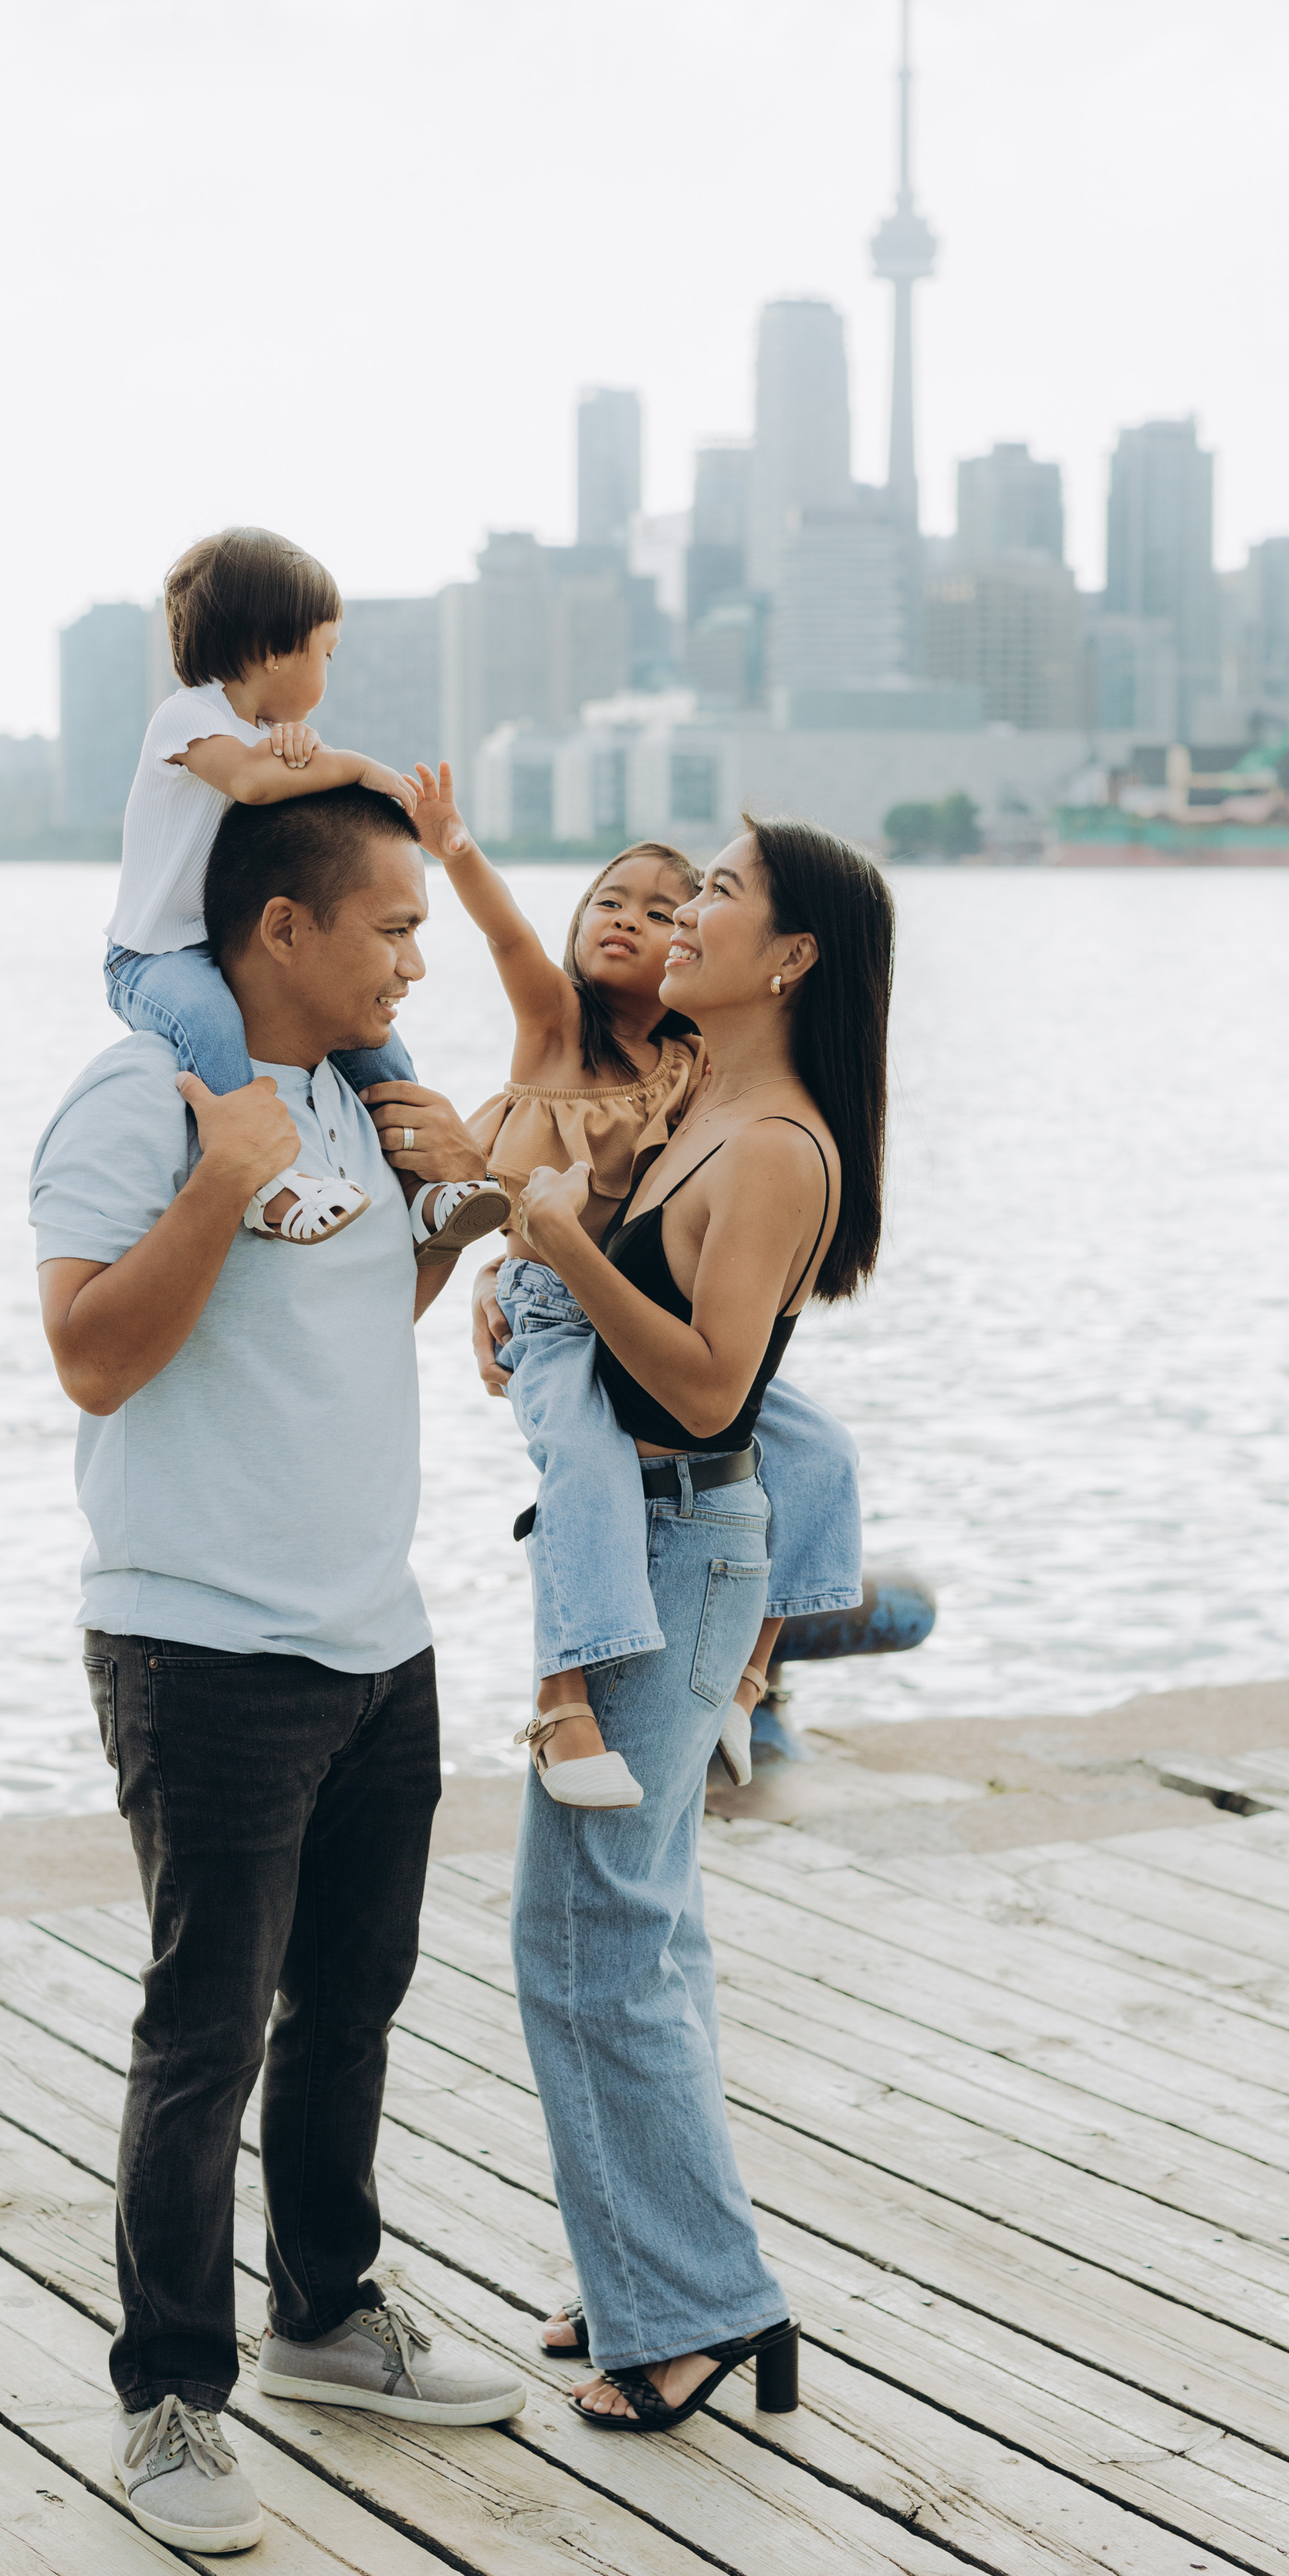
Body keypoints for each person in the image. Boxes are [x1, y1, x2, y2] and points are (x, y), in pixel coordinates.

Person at [32, 782, 526, 2560]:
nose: (414, 953)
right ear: (282, 931)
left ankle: (325, 2312)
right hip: (202, 1645)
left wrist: (451, 1220)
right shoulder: (142, 1101)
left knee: (351, 1997)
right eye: (392, 924)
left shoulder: (343, 1094)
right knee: (205, 2028)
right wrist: (217, 1184)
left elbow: (326, 1311)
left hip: (373, 1633)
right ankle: (168, 2394)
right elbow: (93, 1355)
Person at [484, 813, 895, 2430]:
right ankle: (647, 2275)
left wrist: (570, 1251)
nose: (687, 910)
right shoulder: (700, 1103)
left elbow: (715, 1386)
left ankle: (696, 2303)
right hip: (651, 1546)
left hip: (678, 1552)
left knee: (588, 1938)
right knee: (621, 1930)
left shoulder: (779, 1143)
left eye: (721, 892)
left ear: (787, 956)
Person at [404, 766, 864, 1801]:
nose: (632, 921)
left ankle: (754, 1678)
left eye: (668, 909)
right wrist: (454, 845)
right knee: (585, 1464)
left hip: (630, 1307)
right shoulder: (558, 1029)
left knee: (815, 1450)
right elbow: (508, 936)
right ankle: (563, 1700)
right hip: (554, 1303)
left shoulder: (701, 1067)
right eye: (610, 901)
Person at [103, 524, 506, 1259]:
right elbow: (254, 783)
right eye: (327, 651)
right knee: (213, 1026)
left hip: (222, 948)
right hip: (154, 957)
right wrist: (352, 767)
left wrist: (317, 756)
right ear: (273, 649)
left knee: (379, 1051)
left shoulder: (267, 731)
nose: (329, 670)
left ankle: (426, 1191)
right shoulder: (189, 713)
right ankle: (268, 1183)